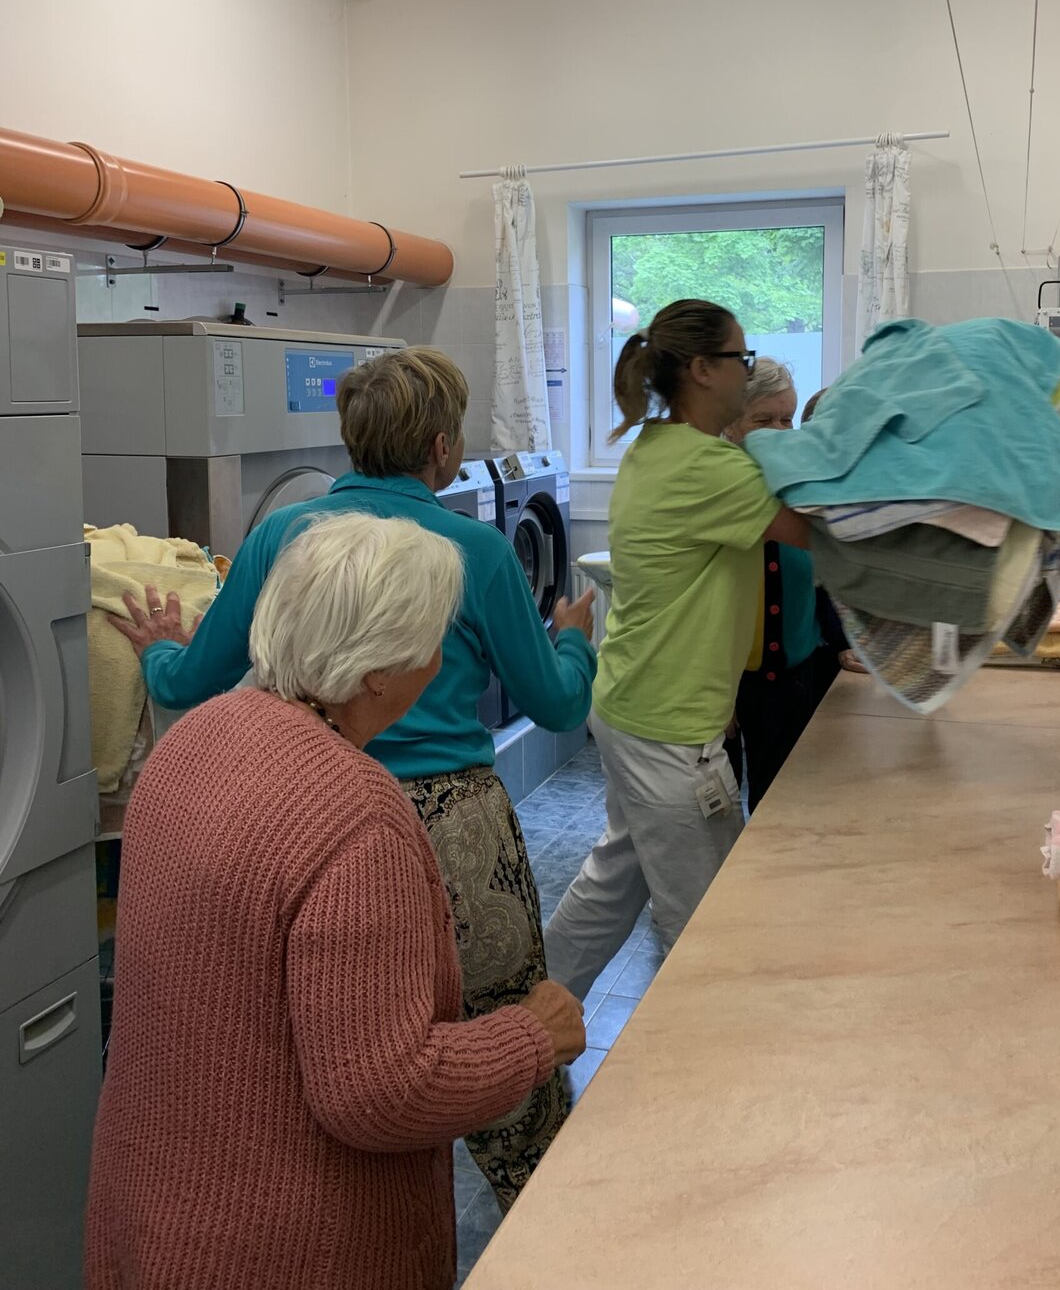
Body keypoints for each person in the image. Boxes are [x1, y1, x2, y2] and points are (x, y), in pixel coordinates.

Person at [110, 348, 595, 1211]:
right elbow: (557, 705)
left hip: (302, 818)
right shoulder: (477, 551)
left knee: (348, 1043)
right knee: (508, 1050)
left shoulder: (281, 535)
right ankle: (550, 1224)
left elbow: (190, 683)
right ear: (442, 448)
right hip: (455, 829)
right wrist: (574, 643)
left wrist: (155, 653)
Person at [543, 300, 809, 1002]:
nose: (747, 371)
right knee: (707, 929)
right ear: (701, 369)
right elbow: (818, 530)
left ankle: (530, 1026)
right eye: (740, 358)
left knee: (615, 879)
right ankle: (701, 1058)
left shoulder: (656, 446)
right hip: (668, 728)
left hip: (631, 700)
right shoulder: (706, 466)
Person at [722, 363, 865, 812]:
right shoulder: (719, 488)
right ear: (730, 422)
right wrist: (719, 695)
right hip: (727, 680)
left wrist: (841, 642)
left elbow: (824, 580)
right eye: (763, 420)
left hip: (791, 680)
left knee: (780, 804)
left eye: (786, 419)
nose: (780, 432)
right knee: (720, 803)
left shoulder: (803, 482)